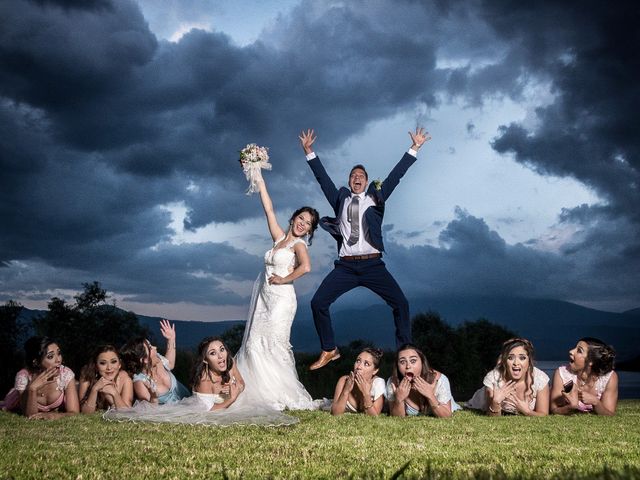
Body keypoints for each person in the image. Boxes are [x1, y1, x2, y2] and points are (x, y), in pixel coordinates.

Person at [299, 128, 431, 370]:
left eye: (361, 176)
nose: (357, 178)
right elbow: (323, 180)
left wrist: (415, 148)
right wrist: (309, 152)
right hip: (346, 267)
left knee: (401, 304)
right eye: (353, 176)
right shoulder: (340, 198)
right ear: (349, 182)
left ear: (367, 181)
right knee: (318, 303)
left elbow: (396, 175)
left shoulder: (376, 197)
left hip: (373, 265)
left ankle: (407, 357)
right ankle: (329, 349)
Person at [234, 165, 321, 410]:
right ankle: (255, 392)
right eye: (301, 218)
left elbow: (306, 268)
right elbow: (268, 209)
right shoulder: (279, 238)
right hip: (265, 298)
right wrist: (259, 178)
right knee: (254, 342)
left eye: (309, 224)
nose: (303, 224)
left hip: (282, 300)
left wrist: (284, 279)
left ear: (311, 230)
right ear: (293, 218)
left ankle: (279, 393)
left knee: (274, 343)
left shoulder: (299, 246)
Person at [466, 338, 549, 416]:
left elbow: (543, 413)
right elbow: (491, 415)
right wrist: (495, 403)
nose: (516, 363)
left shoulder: (540, 378)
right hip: (479, 403)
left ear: (529, 361)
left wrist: (527, 411)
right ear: (505, 361)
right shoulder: (493, 378)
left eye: (522, 358)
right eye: (510, 358)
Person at [0, 336, 79, 419]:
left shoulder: (65, 374)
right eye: (50, 356)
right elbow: (30, 415)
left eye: (59, 353)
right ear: (36, 362)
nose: (58, 360)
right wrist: (32, 389)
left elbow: (74, 412)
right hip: (17, 399)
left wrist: (54, 415)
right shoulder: (24, 377)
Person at [120, 319, 190, 405]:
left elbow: (170, 364)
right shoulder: (140, 382)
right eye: (150, 347)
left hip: (189, 402)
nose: (155, 347)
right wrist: (153, 397)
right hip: (173, 415)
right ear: (144, 359)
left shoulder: (158, 360)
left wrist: (171, 339)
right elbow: (151, 410)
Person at [385, 344, 460, 418]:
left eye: (413, 361)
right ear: (397, 366)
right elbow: (396, 418)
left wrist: (431, 396)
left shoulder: (440, 380)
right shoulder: (393, 383)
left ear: (422, 362)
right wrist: (399, 399)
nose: (408, 366)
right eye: (402, 362)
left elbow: (446, 416)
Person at [550, 337, 618, 416]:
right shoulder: (561, 374)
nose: (571, 351)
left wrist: (596, 402)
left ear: (591, 362)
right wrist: (571, 407)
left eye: (579, 351)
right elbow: (554, 409)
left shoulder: (609, 378)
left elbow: (610, 414)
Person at [191, 337, 245, 411]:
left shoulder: (230, 362)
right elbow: (208, 411)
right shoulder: (204, 380)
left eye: (222, 349)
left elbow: (241, 382)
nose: (220, 356)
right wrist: (232, 398)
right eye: (213, 353)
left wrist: (237, 389)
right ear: (205, 360)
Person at [78, 345, 133, 413]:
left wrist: (114, 393)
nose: (109, 368)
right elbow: (85, 412)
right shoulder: (86, 376)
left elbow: (127, 413)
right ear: (96, 366)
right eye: (103, 363)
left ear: (119, 364)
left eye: (113, 362)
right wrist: (95, 389)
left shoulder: (125, 379)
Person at [331, 348, 385, 416]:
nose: (359, 366)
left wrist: (366, 394)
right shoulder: (343, 380)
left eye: (366, 364)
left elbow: (374, 417)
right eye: (358, 361)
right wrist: (346, 390)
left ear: (375, 370)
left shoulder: (378, 384)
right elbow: (335, 413)